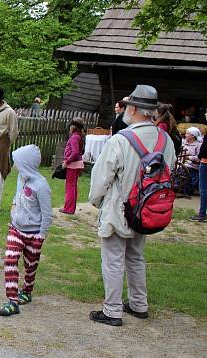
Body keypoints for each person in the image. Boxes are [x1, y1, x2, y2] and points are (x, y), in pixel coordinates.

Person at [88, 84, 175, 326]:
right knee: (136, 257)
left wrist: (98, 201)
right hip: (146, 208)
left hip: (119, 208)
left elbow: (100, 178)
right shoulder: (165, 140)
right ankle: (138, 304)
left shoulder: (120, 140)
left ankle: (112, 310)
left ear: (134, 108)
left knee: (114, 259)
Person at [0, 144, 52, 317]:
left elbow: (47, 214)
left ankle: (27, 291)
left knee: (30, 265)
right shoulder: (21, 178)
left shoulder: (41, 186)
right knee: (9, 260)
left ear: (26, 164)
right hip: (16, 229)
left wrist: (41, 236)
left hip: (33, 233)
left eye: (17, 163)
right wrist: (13, 210)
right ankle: (12, 301)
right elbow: (17, 196)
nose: (15, 166)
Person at [60, 117, 85, 214]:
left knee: (70, 186)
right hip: (76, 164)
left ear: (74, 127)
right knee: (73, 186)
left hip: (72, 165)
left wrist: (67, 162)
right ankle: (71, 208)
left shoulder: (74, 137)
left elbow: (75, 152)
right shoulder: (79, 136)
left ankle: (68, 208)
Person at [190, 133, 207, 222]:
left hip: (205, 162)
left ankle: (202, 214)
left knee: (204, 189)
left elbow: (205, 147)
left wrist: (199, 156)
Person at [181, 127, 202, 196]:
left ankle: (186, 189)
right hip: (182, 162)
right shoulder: (184, 142)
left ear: (192, 135)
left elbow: (199, 158)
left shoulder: (198, 145)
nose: (185, 135)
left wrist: (188, 157)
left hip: (193, 165)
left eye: (187, 133)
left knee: (184, 169)